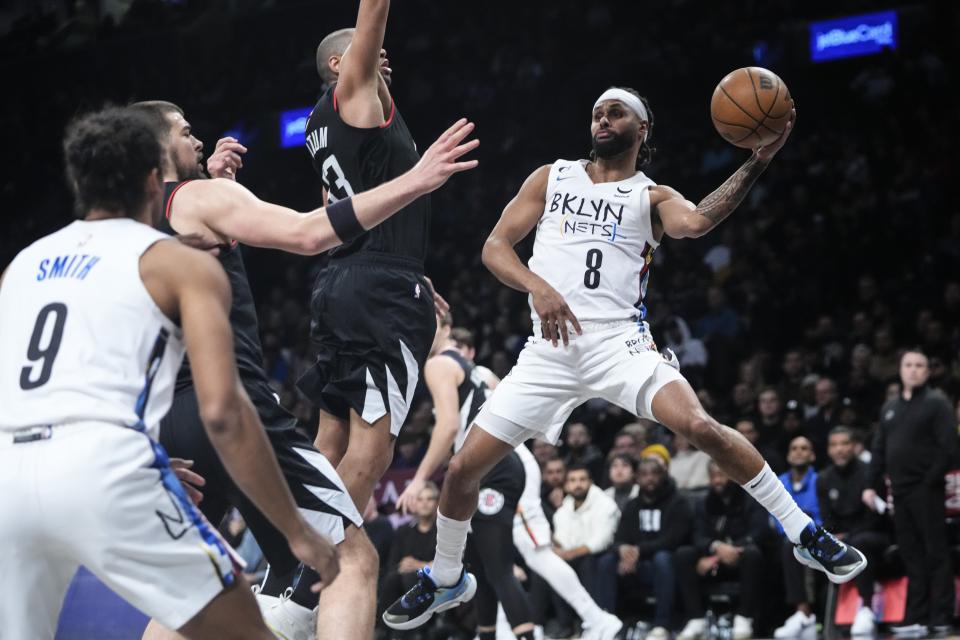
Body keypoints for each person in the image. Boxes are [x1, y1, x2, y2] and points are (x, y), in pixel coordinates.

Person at [385, 87, 864, 631]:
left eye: (616, 112)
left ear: (643, 129)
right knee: (462, 469)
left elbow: (699, 222)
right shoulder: (552, 176)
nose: (602, 119)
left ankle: (804, 532)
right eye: (596, 112)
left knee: (701, 427)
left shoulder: (651, 196)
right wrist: (536, 287)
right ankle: (447, 577)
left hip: (621, 343)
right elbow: (495, 247)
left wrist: (757, 160)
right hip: (549, 350)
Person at [126, 99, 477, 639]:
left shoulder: (128, 228)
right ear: (157, 150)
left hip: (169, 424)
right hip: (231, 408)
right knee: (351, 559)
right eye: (185, 132)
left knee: (191, 590)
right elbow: (310, 233)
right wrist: (417, 179)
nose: (199, 140)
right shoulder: (198, 198)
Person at [0, 107, 337, 640]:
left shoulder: (22, 266)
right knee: (247, 630)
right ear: (155, 179)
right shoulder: (174, 262)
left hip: (11, 478)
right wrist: (296, 532)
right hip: (103, 471)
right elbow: (224, 415)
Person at [303, 3, 471, 635]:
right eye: (368, 52)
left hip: (344, 278)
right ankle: (311, 578)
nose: (383, 57)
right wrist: (398, 275)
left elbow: (339, 216)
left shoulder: (322, 127)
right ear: (339, 66)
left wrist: (410, 271)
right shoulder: (352, 94)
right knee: (368, 458)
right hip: (378, 291)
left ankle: (288, 575)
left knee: (328, 445)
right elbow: (372, 9)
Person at [389, 312, 536, 639]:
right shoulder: (471, 368)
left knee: (498, 568)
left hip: (493, 469)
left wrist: (418, 479)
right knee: (481, 568)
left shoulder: (439, 364)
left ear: (442, 329)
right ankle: (485, 634)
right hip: (490, 467)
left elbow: (449, 426)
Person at [864, 350, 958, 636]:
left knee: (935, 553)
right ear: (900, 370)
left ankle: (940, 615)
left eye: (920, 366)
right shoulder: (890, 407)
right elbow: (879, 448)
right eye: (909, 365)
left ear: (928, 372)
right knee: (911, 554)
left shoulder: (936, 403)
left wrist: (930, 480)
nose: (914, 370)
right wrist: (870, 484)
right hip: (899, 492)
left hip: (927, 489)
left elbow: (949, 448)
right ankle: (915, 616)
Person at [676, 461, 767, 640]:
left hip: (740, 559)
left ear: (732, 476)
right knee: (684, 554)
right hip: (712, 561)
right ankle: (696, 618)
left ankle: (744, 617)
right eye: (713, 476)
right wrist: (716, 550)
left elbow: (759, 531)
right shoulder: (703, 503)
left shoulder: (749, 498)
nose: (718, 480)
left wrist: (729, 551)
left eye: (722, 475)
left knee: (753, 553)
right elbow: (698, 536)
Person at [817, 427, 890, 637]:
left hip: (874, 535)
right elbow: (827, 519)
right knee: (797, 546)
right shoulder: (823, 478)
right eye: (834, 445)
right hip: (841, 538)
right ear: (828, 450)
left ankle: (866, 608)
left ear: (854, 447)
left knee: (861, 541)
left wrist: (845, 537)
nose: (839, 449)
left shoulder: (869, 472)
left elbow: (875, 518)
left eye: (844, 444)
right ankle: (804, 614)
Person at [616, 458, 693, 640]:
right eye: (644, 474)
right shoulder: (632, 505)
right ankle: (608, 622)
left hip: (671, 564)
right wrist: (623, 550)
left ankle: (662, 625)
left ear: (664, 475)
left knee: (662, 557)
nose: (649, 478)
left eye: (654, 473)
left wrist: (639, 551)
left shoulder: (678, 502)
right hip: (638, 564)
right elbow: (619, 538)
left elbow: (674, 539)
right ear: (637, 478)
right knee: (606, 561)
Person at [552, 464, 622, 629]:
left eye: (582, 479)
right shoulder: (562, 510)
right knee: (552, 565)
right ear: (566, 485)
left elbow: (602, 540)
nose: (578, 484)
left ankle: (596, 622)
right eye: (573, 480)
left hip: (601, 554)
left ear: (590, 482)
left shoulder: (606, 504)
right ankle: (564, 626)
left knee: (588, 562)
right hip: (574, 554)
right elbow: (562, 540)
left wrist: (571, 553)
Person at [774, 437, 822, 640]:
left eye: (804, 448)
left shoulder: (820, 481)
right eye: (794, 448)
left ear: (812, 455)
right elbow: (775, 518)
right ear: (788, 455)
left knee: (793, 546)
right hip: (786, 538)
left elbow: (822, 516)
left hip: (816, 538)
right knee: (787, 545)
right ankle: (803, 615)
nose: (799, 452)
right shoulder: (779, 483)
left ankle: (804, 613)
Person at [378, 483, 439, 625]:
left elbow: (450, 563)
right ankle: (385, 628)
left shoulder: (444, 531)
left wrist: (420, 566)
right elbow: (393, 563)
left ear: (436, 503)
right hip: (401, 581)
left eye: (429, 499)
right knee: (392, 579)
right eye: (420, 499)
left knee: (411, 579)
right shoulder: (403, 531)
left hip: (435, 582)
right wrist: (403, 566)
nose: (424, 503)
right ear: (414, 503)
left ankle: (418, 630)